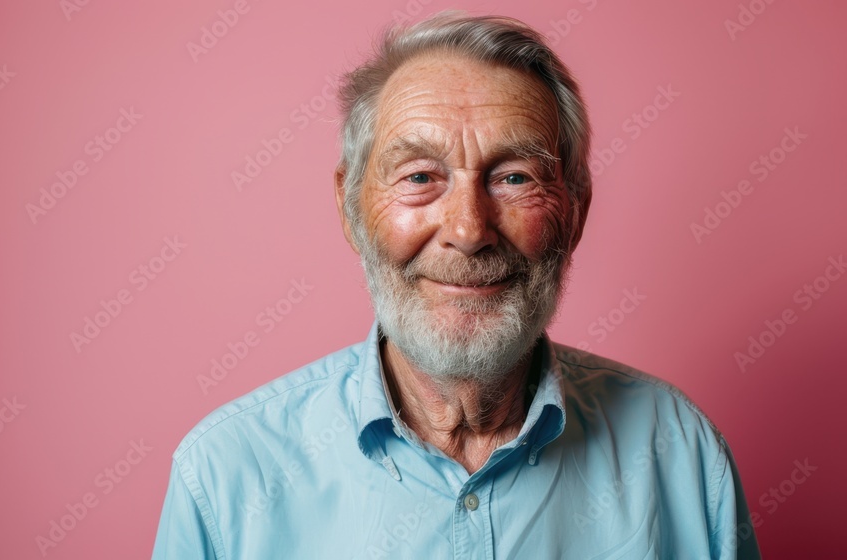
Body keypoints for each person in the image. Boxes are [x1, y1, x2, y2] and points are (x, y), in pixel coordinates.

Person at [152, 11, 761, 559]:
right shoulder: (226, 475)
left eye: (516, 177)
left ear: (574, 212)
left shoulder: (680, 455)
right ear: (350, 207)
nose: (469, 230)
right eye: (420, 176)